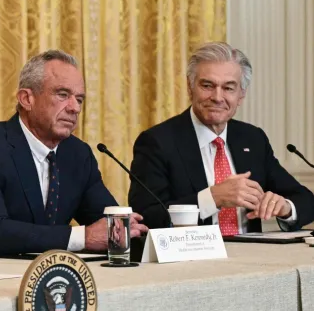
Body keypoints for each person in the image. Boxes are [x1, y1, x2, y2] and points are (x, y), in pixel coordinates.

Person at [0, 50, 147, 259]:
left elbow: (106, 223)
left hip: (54, 280)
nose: (75, 108)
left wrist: (127, 230)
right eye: (63, 95)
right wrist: (82, 237)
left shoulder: (78, 154)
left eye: (79, 99)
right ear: (26, 99)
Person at [128, 42, 314, 232]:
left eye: (228, 88)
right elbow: (145, 216)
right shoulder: (157, 142)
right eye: (207, 86)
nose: (217, 97)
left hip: (253, 256)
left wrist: (284, 207)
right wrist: (213, 198)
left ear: (241, 95)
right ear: (190, 87)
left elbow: (306, 201)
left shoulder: (252, 138)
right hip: (193, 259)